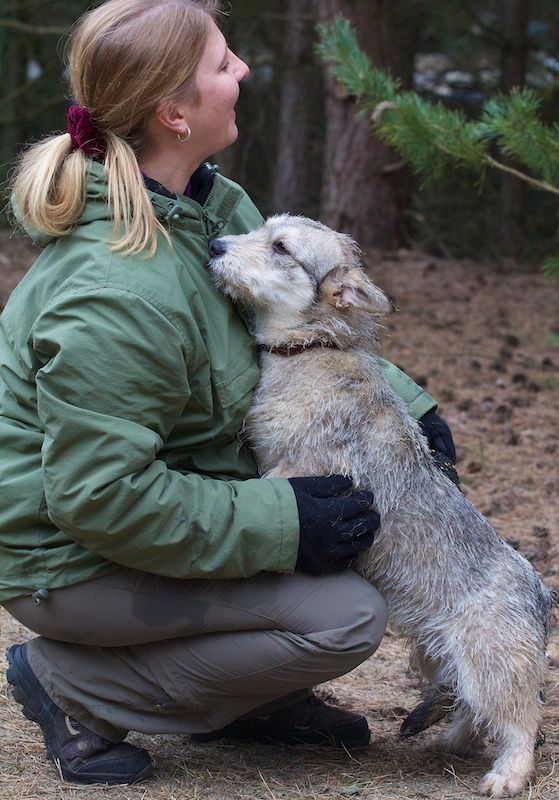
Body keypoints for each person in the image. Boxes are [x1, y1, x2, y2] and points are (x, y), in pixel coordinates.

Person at [0, 0, 457, 786]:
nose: (243, 69)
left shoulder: (208, 205)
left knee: (357, 539)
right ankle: (73, 685)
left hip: (161, 502)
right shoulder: (114, 294)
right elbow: (100, 499)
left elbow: (289, 330)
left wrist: (409, 405)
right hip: (71, 559)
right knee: (344, 615)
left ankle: (247, 694)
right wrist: (284, 521)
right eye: (221, 63)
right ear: (173, 114)